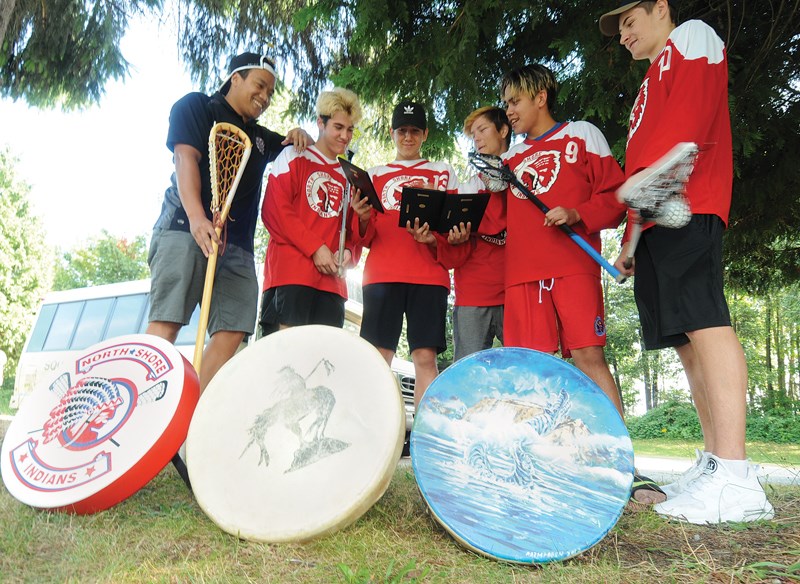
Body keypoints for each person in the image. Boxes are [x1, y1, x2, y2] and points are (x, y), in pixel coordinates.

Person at [600, 0, 774, 523]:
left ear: (661, 9)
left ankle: (738, 475)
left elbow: (688, 132)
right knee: (685, 342)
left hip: (688, 207)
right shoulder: (648, 81)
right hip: (655, 220)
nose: (624, 35)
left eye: (630, 21)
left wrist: (646, 191)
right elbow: (642, 167)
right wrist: (631, 242)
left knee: (706, 323)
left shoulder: (692, 37)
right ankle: (716, 463)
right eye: (620, 29)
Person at [498, 64, 665, 503]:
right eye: (505, 102)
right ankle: (535, 468)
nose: (508, 110)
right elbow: (494, 222)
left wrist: (576, 214)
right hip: (519, 277)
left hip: (573, 265)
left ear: (540, 95)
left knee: (590, 358)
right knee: (533, 374)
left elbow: (616, 195)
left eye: (515, 100)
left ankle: (624, 467)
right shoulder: (510, 159)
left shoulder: (582, 134)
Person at [146, 52, 312, 393]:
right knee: (167, 325)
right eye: (259, 86)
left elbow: (297, 152)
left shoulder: (262, 137)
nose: (265, 97)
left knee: (234, 328)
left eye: (270, 92)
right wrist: (196, 218)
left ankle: (189, 417)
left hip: (236, 247)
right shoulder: (196, 107)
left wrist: (299, 134)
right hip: (185, 228)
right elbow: (185, 158)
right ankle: (143, 422)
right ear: (235, 78)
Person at [356, 101, 469, 406]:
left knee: (425, 356)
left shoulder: (442, 173)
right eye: (402, 131)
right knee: (378, 358)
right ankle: (374, 435)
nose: (408, 137)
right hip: (382, 276)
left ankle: (422, 439)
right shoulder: (374, 174)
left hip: (428, 277)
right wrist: (362, 217)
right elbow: (363, 236)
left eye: (415, 131)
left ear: (425, 134)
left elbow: (452, 227)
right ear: (392, 133)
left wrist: (433, 239)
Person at [259, 87, 367, 335]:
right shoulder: (294, 155)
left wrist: (348, 253)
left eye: (350, 129)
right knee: (285, 358)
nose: (345, 136)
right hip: (292, 275)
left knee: (323, 362)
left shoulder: (350, 174)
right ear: (321, 122)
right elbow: (276, 211)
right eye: (338, 127)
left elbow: (351, 231)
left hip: (332, 285)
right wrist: (315, 248)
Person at [451, 107, 511, 361]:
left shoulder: (526, 172)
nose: (476, 138)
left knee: (524, 372)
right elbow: (451, 246)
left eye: (483, 130)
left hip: (516, 290)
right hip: (473, 292)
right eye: (473, 134)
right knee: (467, 374)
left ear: (504, 130)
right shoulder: (468, 186)